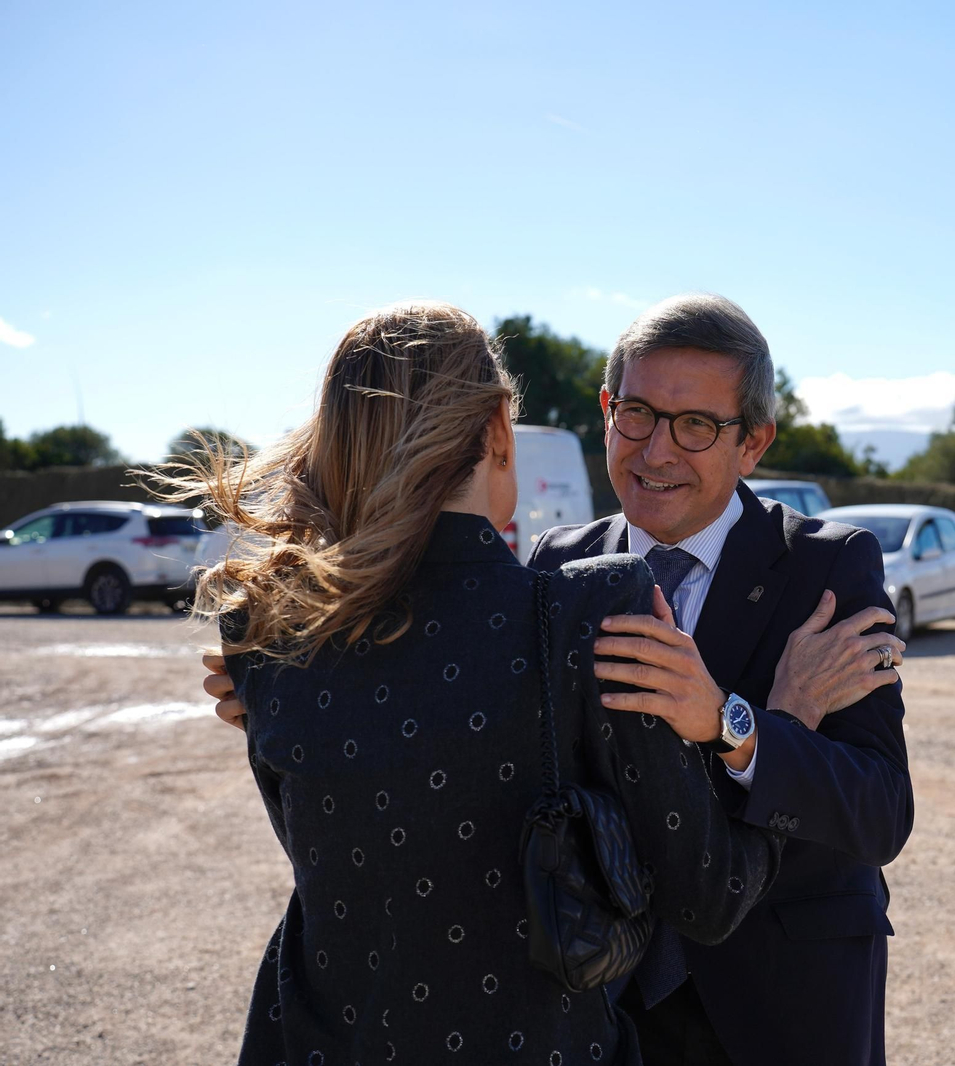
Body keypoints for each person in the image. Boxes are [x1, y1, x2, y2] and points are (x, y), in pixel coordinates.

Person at [178, 302, 788, 1066]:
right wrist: (786, 715)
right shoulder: (589, 615)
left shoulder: (263, 629)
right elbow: (708, 893)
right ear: (499, 428)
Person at [525, 294, 915, 1066]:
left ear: (753, 443)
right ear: (606, 411)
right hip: (603, 998)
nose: (656, 451)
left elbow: (880, 812)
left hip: (781, 1003)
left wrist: (732, 722)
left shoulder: (826, 570)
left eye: (696, 425)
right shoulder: (556, 569)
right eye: (636, 413)